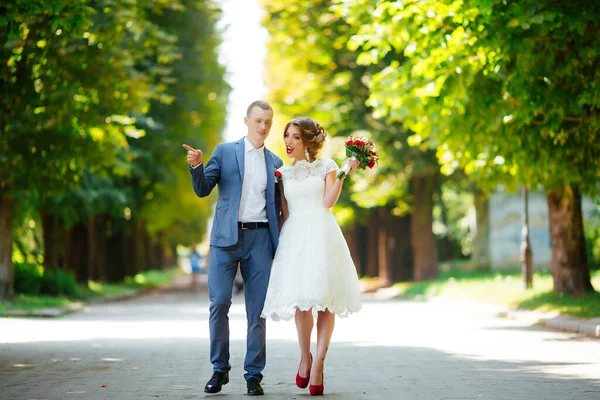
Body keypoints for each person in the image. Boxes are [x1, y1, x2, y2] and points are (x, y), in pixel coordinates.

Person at [183, 100, 283, 396]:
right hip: (225, 240)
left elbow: (279, 208)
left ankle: (253, 375)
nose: (263, 126)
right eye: (258, 120)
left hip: (260, 240)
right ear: (246, 120)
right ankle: (219, 369)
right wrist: (196, 166)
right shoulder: (225, 152)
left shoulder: (275, 163)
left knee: (258, 311)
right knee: (220, 304)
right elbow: (203, 189)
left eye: (268, 121)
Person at [260, 117, 362, 396]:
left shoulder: (327, 166)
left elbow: (328, 203)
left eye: (294, 137)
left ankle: (319, 364)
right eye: (287, 136)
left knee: (325, 303)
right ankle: (304, 357)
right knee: (301, 304)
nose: (288, 142)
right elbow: (285, 212)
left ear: (307, 140)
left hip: (323, 235)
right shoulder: (282, 173)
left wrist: (342, 173)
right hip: (295, 238)